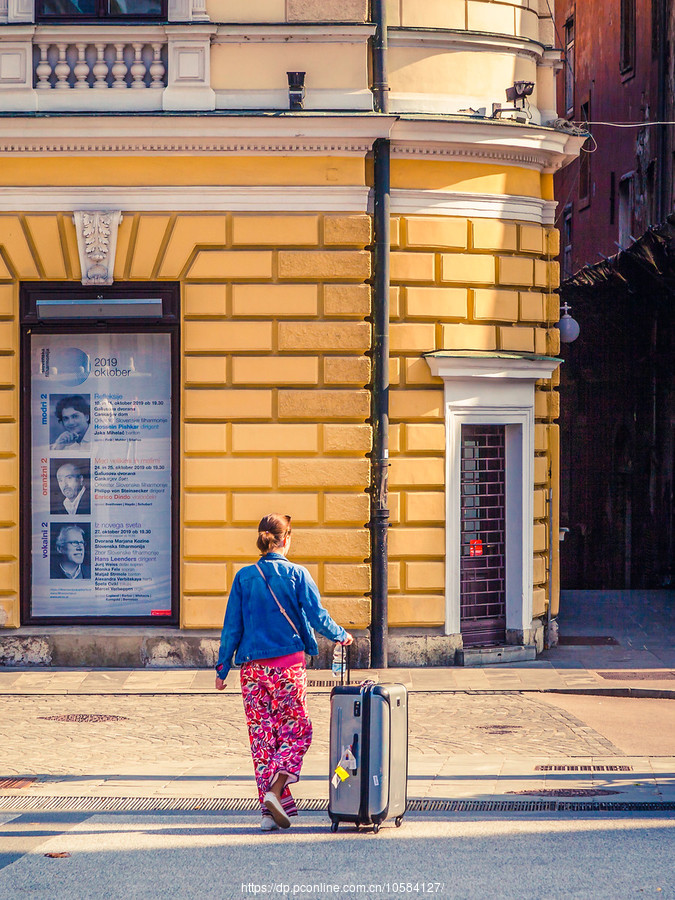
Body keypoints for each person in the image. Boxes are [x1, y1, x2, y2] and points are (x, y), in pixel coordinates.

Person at [215, 514, 353, 833]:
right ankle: (276, 791)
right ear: (286, 539)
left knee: (263, 738)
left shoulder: (244, 577)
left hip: (252, 670)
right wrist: (339, 634)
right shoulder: (296, 574)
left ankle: (267, 812)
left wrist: (223, 667)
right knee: (298, 729)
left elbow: (232, 627)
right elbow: (317, 616)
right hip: (287, 666)